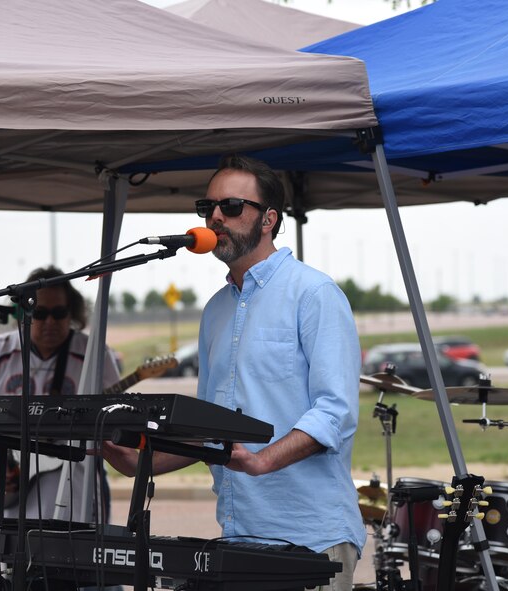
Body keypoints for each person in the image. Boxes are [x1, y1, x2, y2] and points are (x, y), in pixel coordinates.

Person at [102, 154, 365, 591]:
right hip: (239, 536)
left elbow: (335, 413)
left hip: (312, 538)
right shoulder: (215, 311)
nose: (216, 217)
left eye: (232, 207)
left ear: (269, 220)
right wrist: (140, 461)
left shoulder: (314, 293)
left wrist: (262, 461)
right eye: (207, 208)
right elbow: (213, 430)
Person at [0, 265, 121, 520]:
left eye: (59, 313)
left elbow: (116, 417)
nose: (50, 322)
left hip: (76, 489)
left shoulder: (94, 353)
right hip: (10, 495)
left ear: (72, 313)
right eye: (40, 313)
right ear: (25, 311)